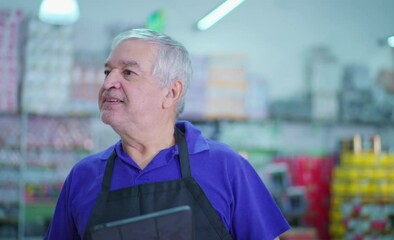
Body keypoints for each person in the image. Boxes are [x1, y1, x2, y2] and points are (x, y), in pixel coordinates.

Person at [45, 28, 290, 240]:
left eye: (128, 73)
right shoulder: (83, 176)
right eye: (107, 72)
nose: (108, 83)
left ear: (171, 93)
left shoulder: (226, 167)